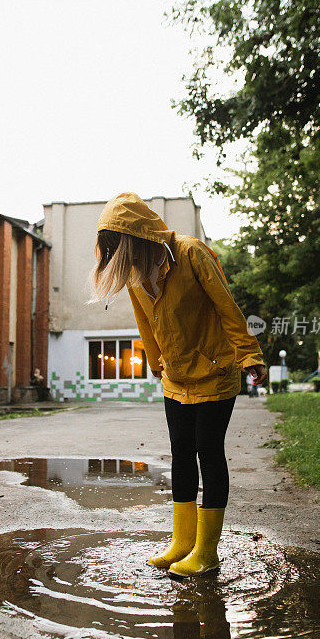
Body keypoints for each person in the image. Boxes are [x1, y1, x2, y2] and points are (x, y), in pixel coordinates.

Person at [90, 193, 266, 577]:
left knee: (208, 451)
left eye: (120, 247)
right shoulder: (137, 279)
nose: (121, 259)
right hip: (176, 377)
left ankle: (206, 551)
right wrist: (156, 363)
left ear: (137, 237)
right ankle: (181, 542)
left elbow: (227, 307)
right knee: (181, 453)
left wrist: (249, 355)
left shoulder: (190, 254)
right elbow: (146, 324)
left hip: (216, 371)